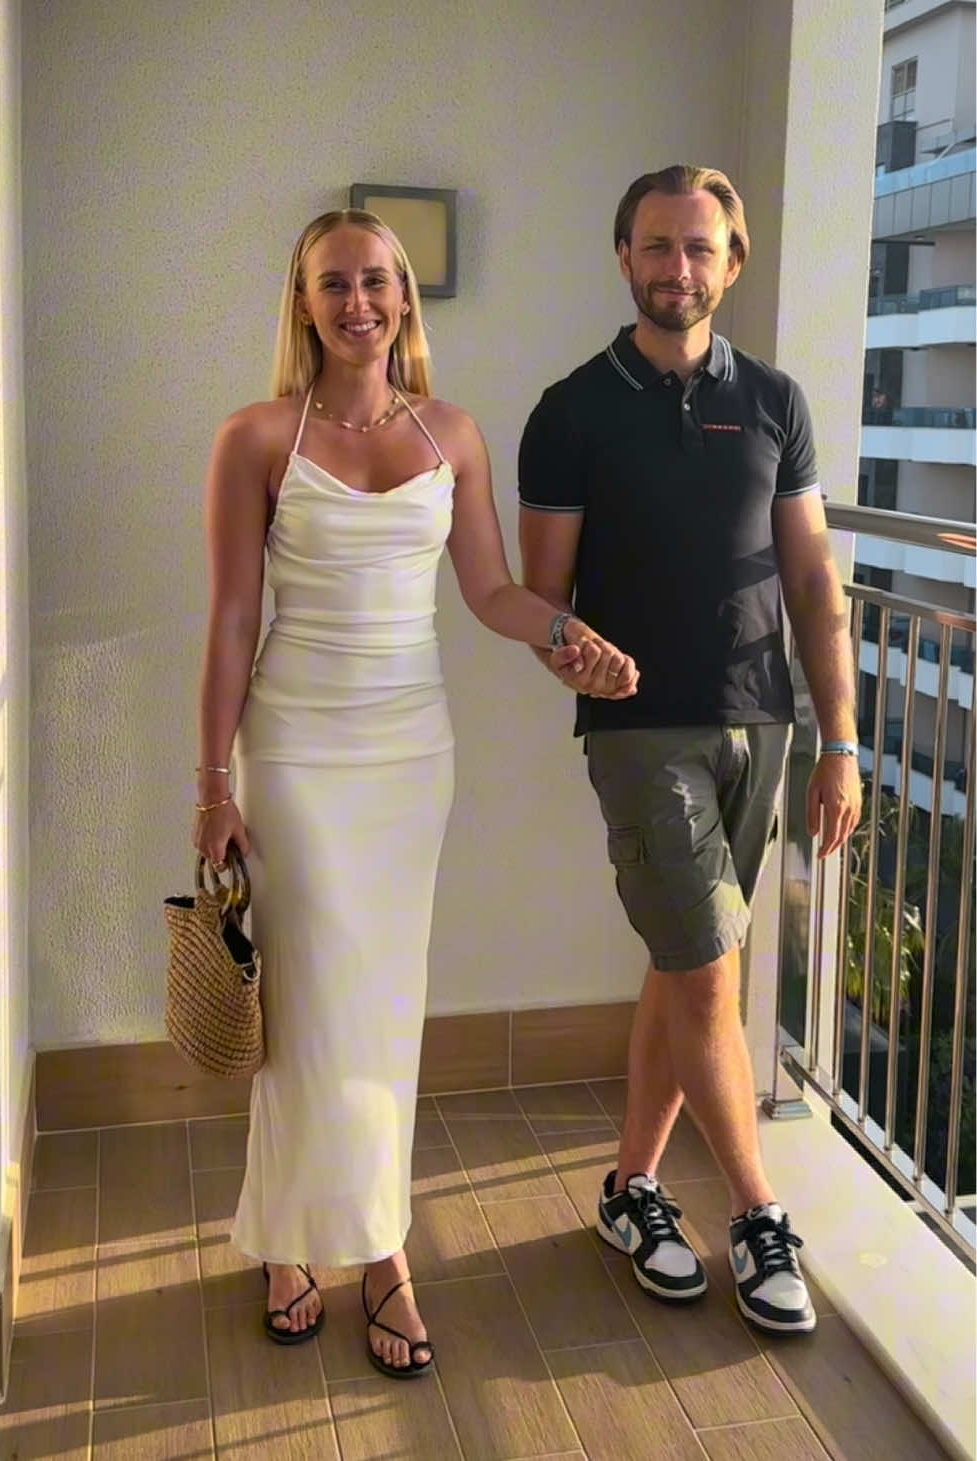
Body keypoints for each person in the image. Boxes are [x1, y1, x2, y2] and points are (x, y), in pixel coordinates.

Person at [190, 208, 637, 1378]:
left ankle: (379, 1249)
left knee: (382, 1004)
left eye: (377, 282)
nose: (359, 302)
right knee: (307, 1006)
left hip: (408, 757)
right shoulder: (253, 438)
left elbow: (491, 591)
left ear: (404, 299)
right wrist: (207, 786)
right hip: (290, 753)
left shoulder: (453, 436)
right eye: (334, 284)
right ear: (302, 302)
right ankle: (291, 1237)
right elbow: (233, 620)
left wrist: (569, 633)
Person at [517, 164, 862, 1335]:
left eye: (699, 249)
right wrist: (577, 653)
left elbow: (814, 581)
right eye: (657, 247)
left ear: (733, 262)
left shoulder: (776, 400)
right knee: (712, 967)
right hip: (639, 727)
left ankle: (631, 1189)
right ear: (623, 256)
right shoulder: (570, 410)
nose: (679, 268)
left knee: (682, 968)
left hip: (759, 720)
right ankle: (759, 1216)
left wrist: (841, 742)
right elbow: (541, 599)